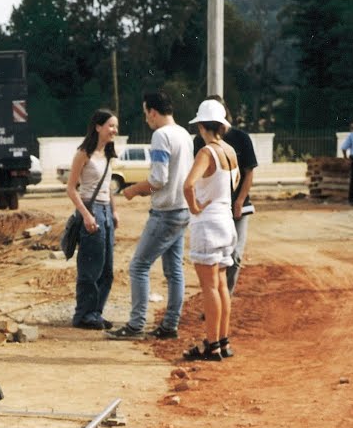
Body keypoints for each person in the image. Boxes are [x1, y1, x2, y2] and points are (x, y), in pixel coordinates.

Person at [108, 91, 191, 341]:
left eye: (146, 114)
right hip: (182, 209)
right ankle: (169, 325)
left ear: (153, 112)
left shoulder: (161, 135)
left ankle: (135, 325)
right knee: (174, 271)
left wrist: (133, 190)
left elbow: (158, 179)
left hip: (165, 212)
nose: (146, 120)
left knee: (139, 266)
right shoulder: (184, 134)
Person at [182, 99, 239, 362]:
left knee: (209, 288)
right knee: (221, 285)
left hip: (208, 223)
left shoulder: (206, 153)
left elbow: (188, 185)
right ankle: (223, 342)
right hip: (226, 221)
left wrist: (194, 207)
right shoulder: (229, 151)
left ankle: (212, 344)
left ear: (202, 126)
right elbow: (235, 181)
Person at [189, 95, 258, 298]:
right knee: (213, 261)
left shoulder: (241, 139)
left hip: (237, 207)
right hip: (215, 210)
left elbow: (248, 172)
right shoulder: (199, 143)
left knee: (234, 256)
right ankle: (217, 302)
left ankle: (223, 296)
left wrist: (239, 200)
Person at [66, 109, 120, 330]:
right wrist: (86, 215)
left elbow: (107, 188)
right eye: (110, 125)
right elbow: (70, 188)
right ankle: (84, 315)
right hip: (91, 210)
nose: (114, 130)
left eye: (116, 126)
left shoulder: (108, 153)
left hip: (106, 211)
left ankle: (96, 312)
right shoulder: (83, 153)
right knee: (91, 267)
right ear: (98, 127)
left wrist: (114, 212)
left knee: (107, 268)